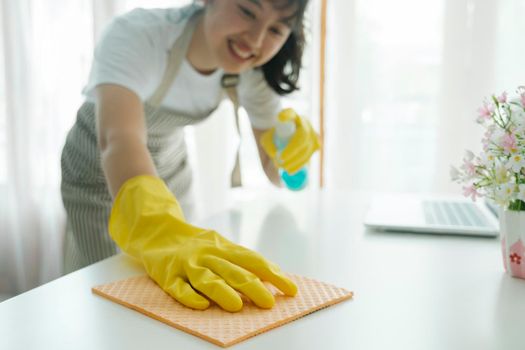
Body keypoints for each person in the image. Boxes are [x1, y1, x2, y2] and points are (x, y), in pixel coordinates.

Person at [60, 0, 320, 312]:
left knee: (177, 293)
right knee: (107, 294)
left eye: (276, 29)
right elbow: (120, 139)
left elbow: (275, 175)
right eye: (248, 12)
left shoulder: (252, 71)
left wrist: (290, 153)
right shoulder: (138, 35)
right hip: (99, 172)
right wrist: (158, 227)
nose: (254, 40)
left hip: (169, 173)